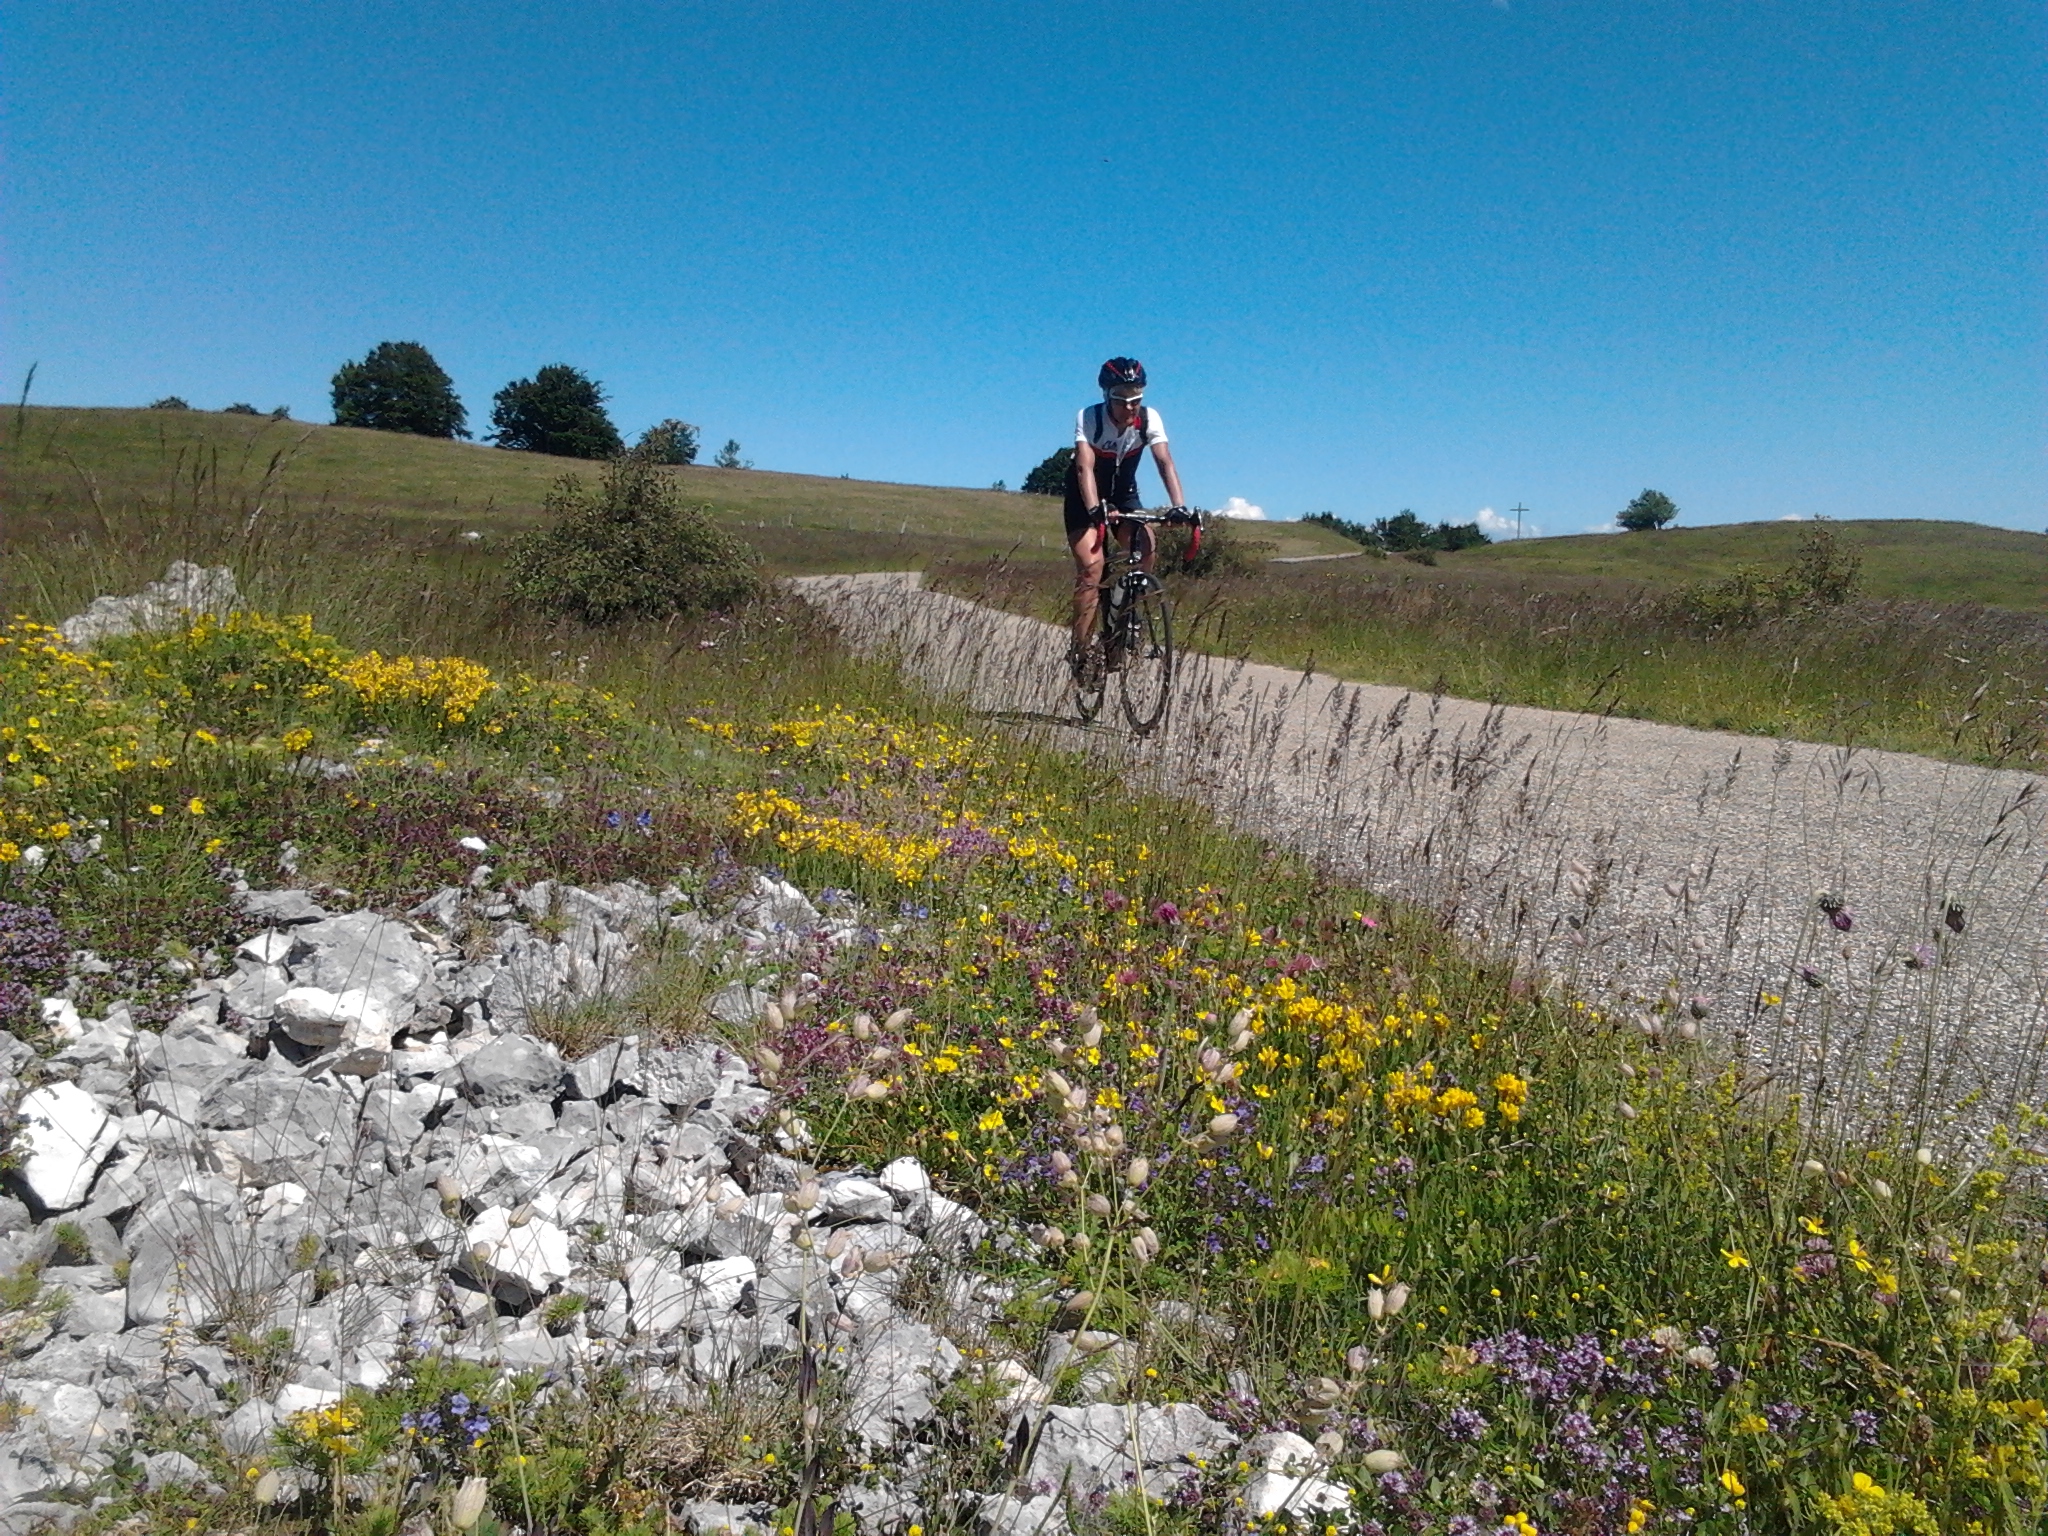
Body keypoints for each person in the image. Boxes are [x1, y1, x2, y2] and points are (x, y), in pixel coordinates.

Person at [1064, 357, 1190, 682]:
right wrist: (1095, 508)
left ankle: (1127, 610)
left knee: (1147, 545)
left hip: (1124, 494)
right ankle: (1080, 649)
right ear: (1108, 395)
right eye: (1123, 397)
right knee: (1092, 569)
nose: (1131, 406)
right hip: (1084, 497)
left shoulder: (1149, 419)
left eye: (1137, 397)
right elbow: (1084, 467)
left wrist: (1179, 506)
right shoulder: (1090, 417)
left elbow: (1165, 461)